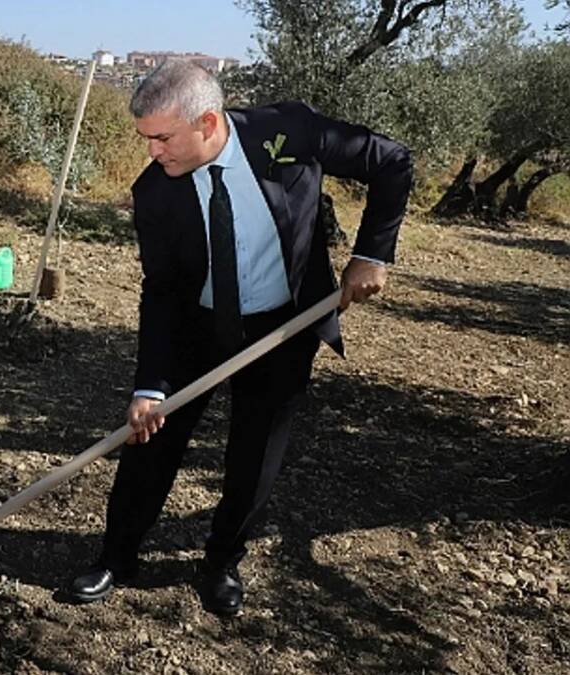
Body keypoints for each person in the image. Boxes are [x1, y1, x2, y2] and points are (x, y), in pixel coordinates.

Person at [69, 61, 412, 615]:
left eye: (161, 138)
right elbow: (159, 290)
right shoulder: (155, 192)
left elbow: (392, 162)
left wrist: (371, 254)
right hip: (196, 325)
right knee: (150, 443)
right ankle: (116, 555)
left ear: (207, 122)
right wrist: (151, 385)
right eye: (146, 139)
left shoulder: (288, 133)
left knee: (255, 455)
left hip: (283, 324)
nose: (152, 152)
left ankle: (221, 562)